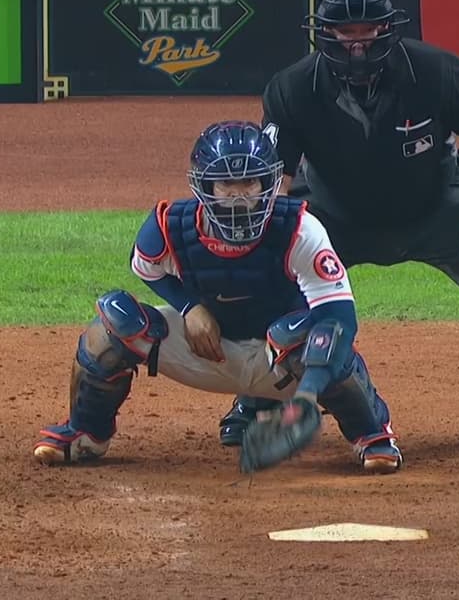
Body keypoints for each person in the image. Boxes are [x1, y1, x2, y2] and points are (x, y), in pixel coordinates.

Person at [215, 0, 459, 450]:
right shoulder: (291, 89)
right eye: (346, 33)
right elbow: (275, 178)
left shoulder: (437, 70)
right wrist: (269, 246)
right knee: (268, 269)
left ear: (388, 29)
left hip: (435, 204)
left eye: (368, 32)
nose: (358, 44)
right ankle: (257, 400)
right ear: (325, 34)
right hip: (333, 213)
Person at [33, 121, 403, 474]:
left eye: (250, 182)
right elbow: (145, 267)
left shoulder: (300, 228)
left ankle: (370, 433)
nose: (240, 195)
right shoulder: (172, 225)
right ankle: (87, 433)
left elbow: (339, 319)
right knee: (113, 325)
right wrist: (189, 307)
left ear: (269, 183)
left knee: (315, 335)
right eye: (227, 183)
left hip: (280, 362)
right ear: (205, 186)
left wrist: (305, 397)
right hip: (206, 352)